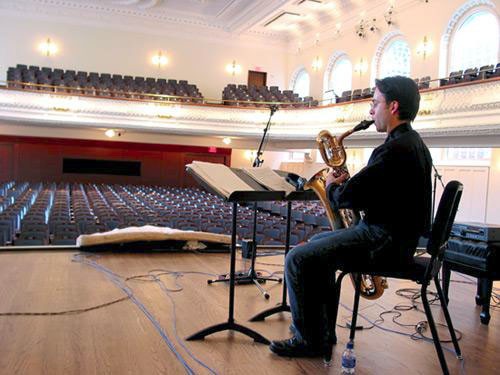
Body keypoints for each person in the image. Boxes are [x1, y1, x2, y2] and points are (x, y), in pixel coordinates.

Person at [270, 75, 433, 358]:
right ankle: (321, 333)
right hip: (396, 238)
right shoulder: (412, 144)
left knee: (297, 257)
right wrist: (348, 185)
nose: (371, 111)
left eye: (375, 103)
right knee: (318, 243)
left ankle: (307, 340)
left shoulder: (393, 150)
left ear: (393, 107)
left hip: (383, 240)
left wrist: (334, 184)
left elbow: (349, 197)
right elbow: (374, 191)